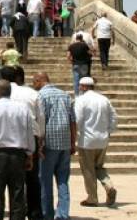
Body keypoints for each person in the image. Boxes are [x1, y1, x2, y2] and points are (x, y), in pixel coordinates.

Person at [0, 80, 35, 220]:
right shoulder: (23, 108)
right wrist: (30, 154)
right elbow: (29, 132)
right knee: (18, 192)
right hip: (18, 154)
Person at [34, 72, 76, 220]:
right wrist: (73, 142)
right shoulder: (65, 95)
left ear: (39, 80)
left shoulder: (41, 96)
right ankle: (63, 214)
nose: (33, 85)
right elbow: (73, 121)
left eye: (34, 82)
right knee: (63, 180)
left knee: (45, 182)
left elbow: (41, 121)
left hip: (49, 144)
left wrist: (40, 144)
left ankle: (48, 214)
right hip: (64, 144)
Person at [7, 66, 45, 220]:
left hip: (9, 139)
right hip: (31, 137)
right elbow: (41, 118)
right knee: (32, 178)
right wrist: (41, 138)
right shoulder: (32, 93)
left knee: (13, 179)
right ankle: (34, 212)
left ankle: (17, 212)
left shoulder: (2, 93)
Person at [74, 77, 118, 207]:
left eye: (80, 86)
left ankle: (92, 198)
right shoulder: (104, 99)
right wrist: (109, 131)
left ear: (83, 86)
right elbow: (114, 116)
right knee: (99, 167)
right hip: (102, 139)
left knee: (88, 169)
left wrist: (75, 134)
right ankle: (109, 185)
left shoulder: (81, 100)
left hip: (87, 140)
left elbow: (78, 119)